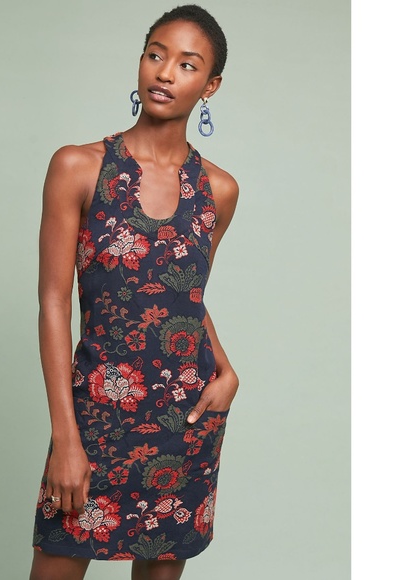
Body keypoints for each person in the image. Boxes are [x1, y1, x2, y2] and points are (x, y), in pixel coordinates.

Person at [30, 5, 240, 580]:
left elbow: (184, 296)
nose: (165, 72)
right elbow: (53, 303)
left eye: (188, 64)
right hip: (94, 417)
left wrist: (226, 371)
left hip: (186, 418)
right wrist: (66, 438)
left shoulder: (218, 190)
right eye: (156, 55)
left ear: (211, 85)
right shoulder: (79, 167)